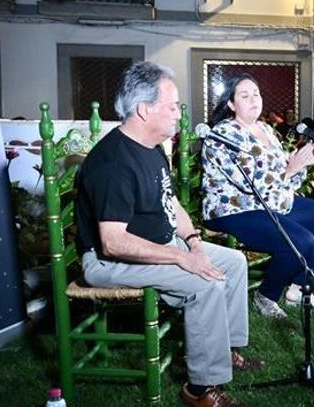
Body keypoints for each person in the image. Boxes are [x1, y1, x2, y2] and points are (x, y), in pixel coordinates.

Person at [75, 61, 254, 407]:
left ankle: (222, 350)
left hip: (159, 242)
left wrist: (193, 243)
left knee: (233, 263)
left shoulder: (152, 148)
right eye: (172, 106)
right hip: (108, 261)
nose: (178, 114)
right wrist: (181, 258)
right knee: (205, 284)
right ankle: (200, 388)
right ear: (144, 110)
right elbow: (114, 243)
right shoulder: (114, 164)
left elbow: (170, 203)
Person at [202, 74, 314, 320]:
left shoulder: (265, 129)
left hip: (270, 202)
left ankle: (300, 288)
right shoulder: (222, 136)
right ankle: (266, 296)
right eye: (244, 96)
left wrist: (303, 162)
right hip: (235, 210)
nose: (254, 99)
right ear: (231, 105)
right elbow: (251, 186)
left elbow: (285, 178)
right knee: (302, 241)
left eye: (256, 93)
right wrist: (292, 169)